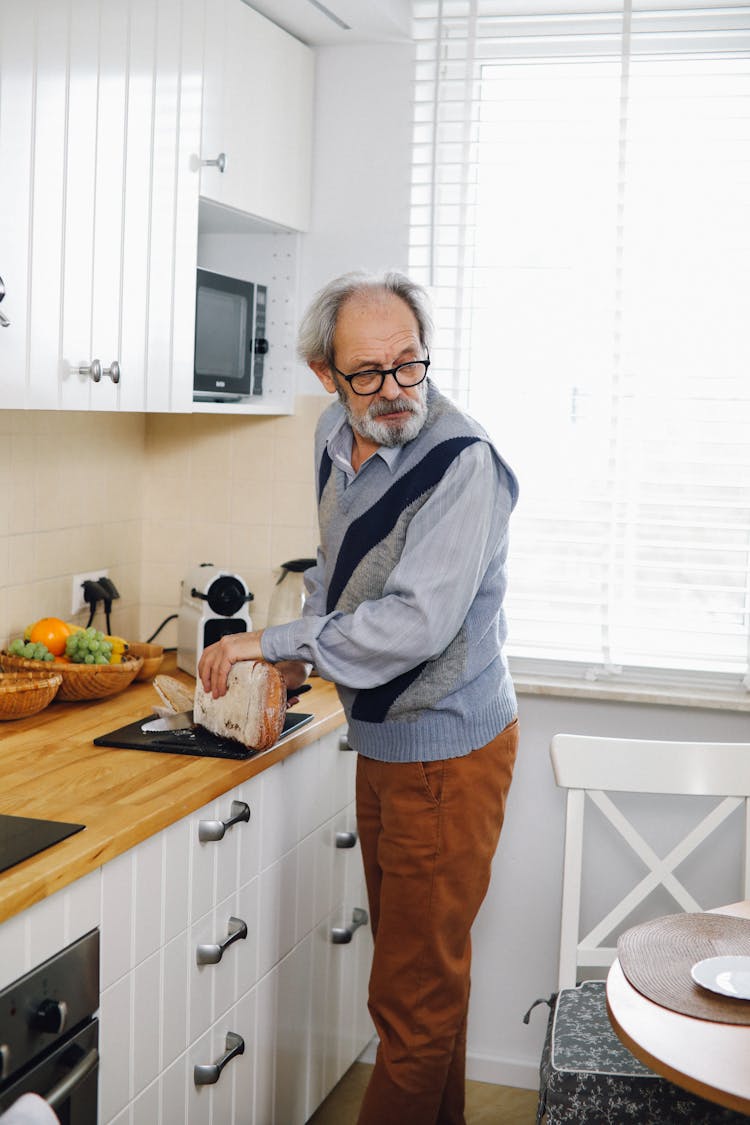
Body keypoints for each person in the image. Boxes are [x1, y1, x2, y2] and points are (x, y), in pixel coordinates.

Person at [198, 270, 519, 1125]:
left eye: (409, 365)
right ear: (325, 377)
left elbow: (413, 625)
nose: (394, 391)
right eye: (367, 373)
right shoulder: (333, 438)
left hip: (448, 750)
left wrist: (275, 642)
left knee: (411, 1008)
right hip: (385, 744)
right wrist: (307, 647)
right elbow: (339, 576)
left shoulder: (464, 462)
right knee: (425, 990)